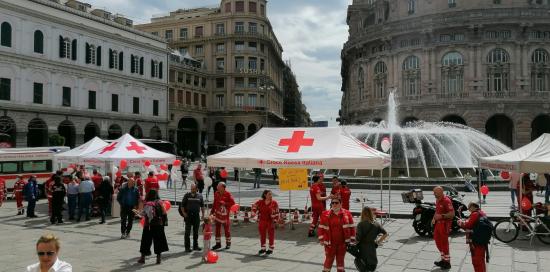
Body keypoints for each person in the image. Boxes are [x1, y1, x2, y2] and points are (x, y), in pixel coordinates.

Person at [318, 198, 356, 272]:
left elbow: (352, 227)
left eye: (336, 203)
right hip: (329, 243)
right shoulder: (325, 214)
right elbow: (321, 227)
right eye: (333, 203)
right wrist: (321, 239)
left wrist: (352, 239)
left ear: (341, 204)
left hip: (343, 243)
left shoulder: (347, 213)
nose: (334, 204)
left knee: (340, 260)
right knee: (329, 260)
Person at [137, 189, 169, 264]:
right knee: (158, 241)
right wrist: (164, 222)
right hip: (158, 224)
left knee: (145, 241)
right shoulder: (160, 202)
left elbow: (143, 213)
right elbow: (164, 212)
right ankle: (158, 258)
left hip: (148, 225)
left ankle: (143, 258)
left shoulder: (147, 203)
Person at [355, 207, 388, 272]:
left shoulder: (360, 224)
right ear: (371, 213)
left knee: (363, 267)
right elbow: (385, 234)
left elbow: (358, 239)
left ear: (362, 214)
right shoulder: (376, 224)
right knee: (372, 265)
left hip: (363, 249)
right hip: (372, 247)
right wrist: (378, 242)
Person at [458, 202, 488, 272]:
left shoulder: (475, 214)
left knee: (476, 261)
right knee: (481, 260)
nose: (468, 209)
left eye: (469, 207)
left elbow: (467, 225)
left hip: (476, 241)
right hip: (482, 240)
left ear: (473, 207)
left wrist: (460, 222)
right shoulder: (481, 213)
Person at [432, 186, 454, 270]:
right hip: (438, 224)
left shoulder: (446, 201)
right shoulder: (437, 200)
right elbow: (437, 210)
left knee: (444, 243)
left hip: (444, 224)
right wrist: (434, 218)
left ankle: (447, 262)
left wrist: (441, 216)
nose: (434, 194)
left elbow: (452, 214)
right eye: (434, 192)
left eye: (435, 193)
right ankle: (443, 259)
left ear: (441, 192)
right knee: (438, 241)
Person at [251, 189, 279, 255]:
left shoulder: (274, 203)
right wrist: (253, 213)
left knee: (271, 235)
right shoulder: (260, 202)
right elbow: (254, 207)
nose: (271, 195)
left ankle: (271, 248)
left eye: (271, 194)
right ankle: (263, 248)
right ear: (265, 195)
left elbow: (277, 212)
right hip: (262, 220)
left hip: (270, 221)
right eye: (269, 194)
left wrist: (275, 220)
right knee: (262, 235)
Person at [180, 184, 205, 252]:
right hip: (188, 215)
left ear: (196, 189)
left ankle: (195, 246)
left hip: (196, 216)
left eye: (193, 189)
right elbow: (182, 205)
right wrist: (184, 213)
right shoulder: (187, 195)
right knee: (187, 232)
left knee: (196, 232)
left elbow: (202, 206)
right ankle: (187, 247)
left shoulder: (200, 196)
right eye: (191, 189)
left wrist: (203, 215)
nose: (192, 190)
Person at [211, 182, 235, 250]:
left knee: (227, 230)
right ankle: (218, 244)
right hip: (218, 214)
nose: (217, 187)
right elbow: (214, 202)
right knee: (217, 229)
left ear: (222, 187)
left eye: (218, 186)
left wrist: (225, 203)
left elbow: (233, 203)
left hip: (225, 215)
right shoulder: (216, 193)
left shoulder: (228, 194)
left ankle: (228, 243)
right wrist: (212, 212)